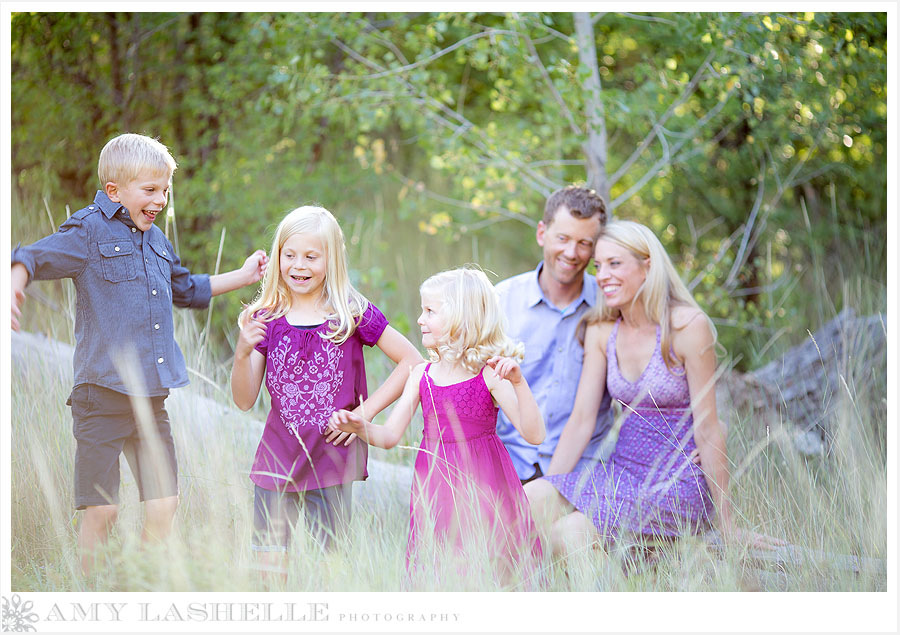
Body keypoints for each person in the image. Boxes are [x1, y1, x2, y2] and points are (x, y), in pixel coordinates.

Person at [9, 132, 269, 575]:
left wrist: (243, 277)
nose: (161, 199)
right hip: (102, 396)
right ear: (115, 190)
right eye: (150, 190)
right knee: (103, 509)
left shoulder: (157, 241)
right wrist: (15, 281)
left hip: (151, 398)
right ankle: (90, 596)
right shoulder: (88, 230)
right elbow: (34, 256)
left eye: (165, 190)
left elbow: (186, 288)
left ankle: (134, 591)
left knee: (165, 503)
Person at [525, 220, 785, 557]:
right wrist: (554, 487)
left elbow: (708, 429)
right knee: (528, 501)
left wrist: (728, 525)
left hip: (676, 483)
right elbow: (581, 420)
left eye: (615, 263)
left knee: (572, 532)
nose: (602, 275)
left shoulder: (687, 326)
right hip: (621, 473)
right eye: (599, 266)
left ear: (647, 266)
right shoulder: (603, 330)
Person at [230, 205, 422, 576]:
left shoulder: (351, 313)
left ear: (330, 260)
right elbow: (243, 400)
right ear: (278, 256)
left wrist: (363, 416)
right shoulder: (265, 317)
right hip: (276, 461)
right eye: (290, 255)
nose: (299, 266)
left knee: (329, 572)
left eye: (311, 257)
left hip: (332, 463)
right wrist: (241, 352)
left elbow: (411, 361)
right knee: (268, 572)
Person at [327, 267, 545, 586]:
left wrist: (519, 382)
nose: (420, 319)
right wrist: (359, 425)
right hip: (436, 490)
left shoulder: (489, 376)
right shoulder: (421, 375)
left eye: (430, 311)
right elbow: (389, 436)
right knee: (442, 570)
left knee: (487, 567)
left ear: (461, 319)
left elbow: (534, 434)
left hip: (483, 486)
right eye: (422, 309)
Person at [495, 185, 613, 484]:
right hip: (507, 462)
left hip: (583, 471)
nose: (571, 253)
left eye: (585, 243)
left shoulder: (611, 307)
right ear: (541, 233)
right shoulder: (500, 301)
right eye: (562, 238)